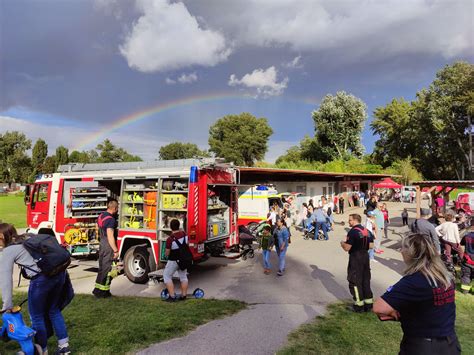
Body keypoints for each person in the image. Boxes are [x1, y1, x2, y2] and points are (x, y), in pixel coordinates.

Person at [373, 234, 460, 355]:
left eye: (402, 248)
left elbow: (379, 307)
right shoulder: (444, 276)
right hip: (449, 343)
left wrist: (399, 313)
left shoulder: (414, 281)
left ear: (410, 253)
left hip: (422, 346)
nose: (401, 251)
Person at [0, 223, 71, 354]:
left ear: (1, 236)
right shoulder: (28, 236)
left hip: (41, 280)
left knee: (37, 316)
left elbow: (5, 280)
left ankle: (41, 349)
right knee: (53, 310)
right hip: (59, 274)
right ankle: (64, 346)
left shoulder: (9, 251)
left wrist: (7, 305)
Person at [340, 214, 374, 312]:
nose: (348, 222)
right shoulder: (367, 231)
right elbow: (371, 246)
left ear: (355, 220)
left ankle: (359, 305)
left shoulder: (352, 232)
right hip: (365, 256)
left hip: (355, 257)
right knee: (365, 279)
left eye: (350, 220)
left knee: (354, 280)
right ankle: (368, 304)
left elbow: (347, 248)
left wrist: (342, 243)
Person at [93, 199, 119, 298]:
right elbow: (110, 236)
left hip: (102, 243)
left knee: (101, 268)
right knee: (108, 270)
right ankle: (104, 292)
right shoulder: (111, 220)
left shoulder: (101, 216)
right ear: (115, 208)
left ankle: (97, 289)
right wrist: (115, 250)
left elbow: (98, 229)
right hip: (108, 245)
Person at [163, 219, 189, 301]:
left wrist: (165, 255)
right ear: (179, 226)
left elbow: (167, 253)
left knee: (167, 276)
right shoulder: (185, 235)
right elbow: (186, 245)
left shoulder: (170, 239)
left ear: (170, 227)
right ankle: (183, 296)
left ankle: (172, 296)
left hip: (173, 260)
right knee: (183, 277)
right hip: (183, 260)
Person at [460, 219, 474, 294]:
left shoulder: (466, 236)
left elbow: (461, 244)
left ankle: (465, 291)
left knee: (466, 275)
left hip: (467, 259)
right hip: (469, 259)